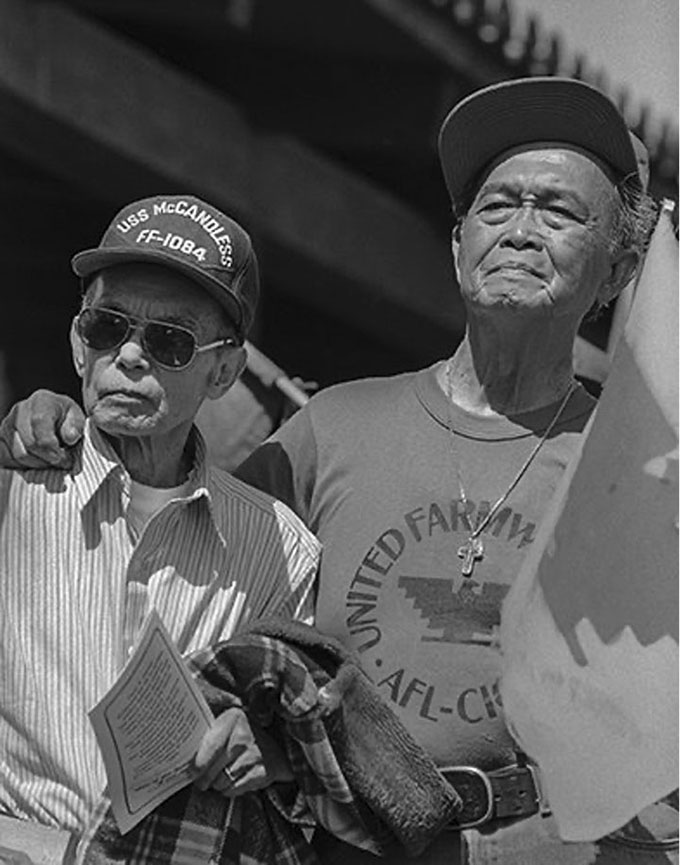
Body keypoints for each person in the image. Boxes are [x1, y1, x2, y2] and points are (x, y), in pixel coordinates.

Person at [1, 79, 672, 863]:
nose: (521, 231)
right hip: (344, 844)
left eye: (558, 212)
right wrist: (57, 429)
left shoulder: (639, 464)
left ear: (621, 267)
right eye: (497, 206)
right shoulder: (333, 427)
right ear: (458, 246)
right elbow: (180, 544)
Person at [0, 195, 320, 844]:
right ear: (77, 344)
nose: (131, 355)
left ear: (225, 369)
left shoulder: (281, 546)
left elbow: (295, 749)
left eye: (170, 340)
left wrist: (269, 748)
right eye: (107, 327)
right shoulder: (11, 492)